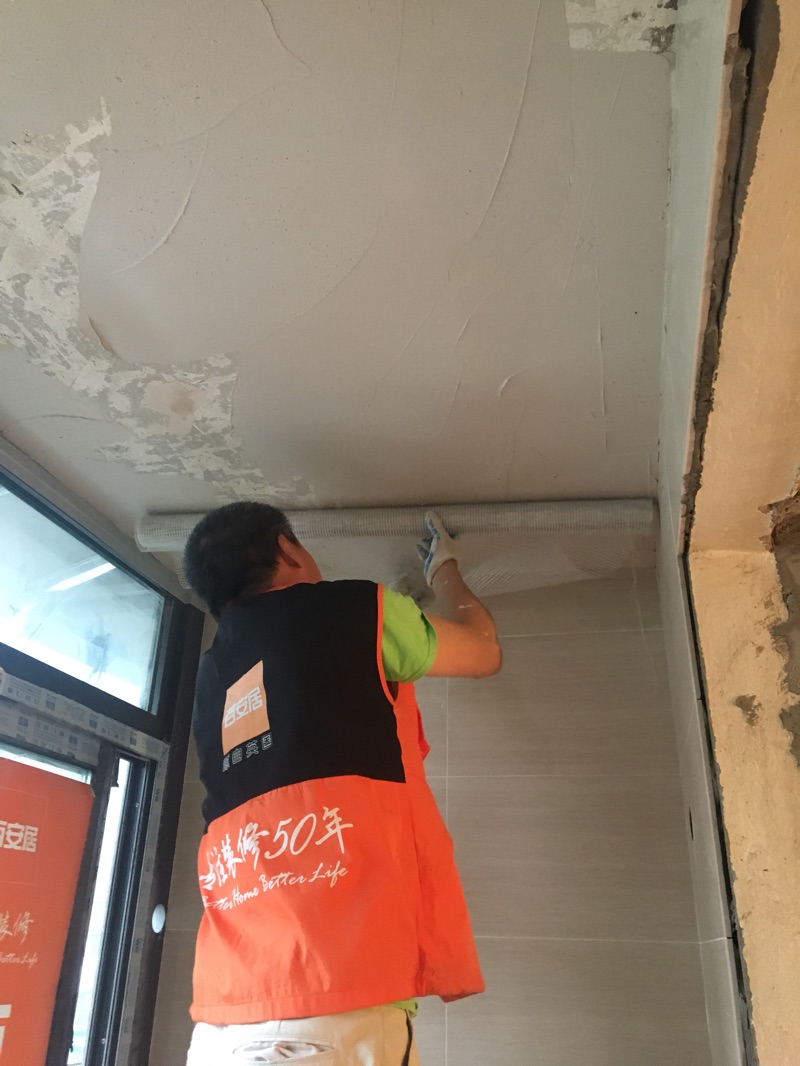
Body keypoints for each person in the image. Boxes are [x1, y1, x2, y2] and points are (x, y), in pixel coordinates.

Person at [182, 503, 501, 1065]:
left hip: (225, 1010)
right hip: (328, 1006)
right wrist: (445, 572)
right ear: (287, 549)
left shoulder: (211, 682)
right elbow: (483, 651)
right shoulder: (356, 610)